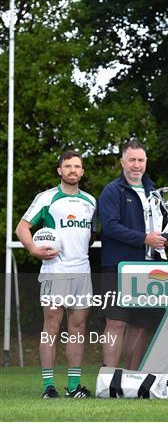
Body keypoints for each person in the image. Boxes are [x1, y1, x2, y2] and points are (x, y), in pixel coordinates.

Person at [16, 150, 97, 399]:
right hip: (55, 271)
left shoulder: (91, 201)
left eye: (77, 166)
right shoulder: (47, 198)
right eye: (68, 166)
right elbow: (22, 228)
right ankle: (48, 387)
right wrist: (33, 249)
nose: (73, 170)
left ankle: (73, 387)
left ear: (82, 171)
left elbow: (91, 235)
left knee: (78, 328)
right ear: (59, 170)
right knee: (50, 327)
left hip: (82, 272)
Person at [98, 139, 166, 369]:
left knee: (140, 325)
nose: (136, 165)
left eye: (141, 160)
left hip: (149, 268)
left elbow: (161, 226)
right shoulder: (112, 190)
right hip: (118, 267)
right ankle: (108, 378)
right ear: (122, 162)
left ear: (146, 162)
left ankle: (132, 379)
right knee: (116, 323)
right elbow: (110, 227)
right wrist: (144, 238)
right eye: (132, 160)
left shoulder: (154, 191)